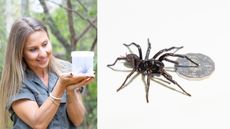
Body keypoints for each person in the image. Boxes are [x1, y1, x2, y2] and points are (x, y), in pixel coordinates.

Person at [0, 17, 94, 129]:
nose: (43, 53)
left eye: (45, 44)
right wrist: (61, 86)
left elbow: (78, 120)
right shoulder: (16, 81)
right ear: (20, 53)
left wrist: (70, 91)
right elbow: (38, 123)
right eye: (33, 49)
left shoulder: (66, 69)